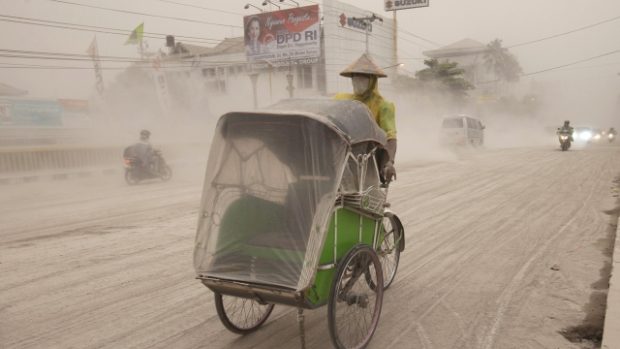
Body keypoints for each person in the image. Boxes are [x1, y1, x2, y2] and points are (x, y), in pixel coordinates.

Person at [334, 53, 397, 183]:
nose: (358, 82)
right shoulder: (341, 99)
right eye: (355, 78)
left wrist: (390, 162)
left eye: (362, 79)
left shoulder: (384, 105)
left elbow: (390, 137)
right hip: (341, 157)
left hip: (368, 160)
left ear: (372, 81)